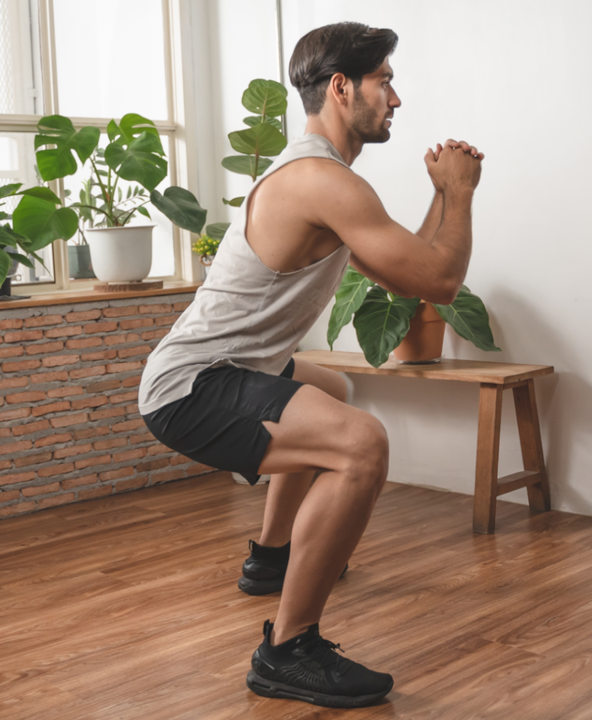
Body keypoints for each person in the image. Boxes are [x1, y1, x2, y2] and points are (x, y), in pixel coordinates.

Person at [138, 21, 483, 709]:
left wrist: (441, 196)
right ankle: (287, 650)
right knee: (361, 445)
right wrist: (464, 192)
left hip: (219, 369)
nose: (396, 97)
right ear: (340, 87)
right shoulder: (321, 181)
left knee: (329, 384)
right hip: (191, 388)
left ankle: (270, 557)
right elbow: (441, 283)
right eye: (385, 80)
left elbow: (407, 274)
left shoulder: (320, 179)